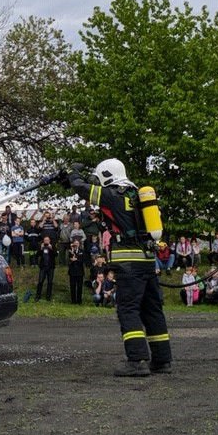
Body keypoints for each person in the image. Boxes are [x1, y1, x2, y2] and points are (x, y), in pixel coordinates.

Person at [64, 159, 171, 376]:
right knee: (152, 310)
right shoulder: (136, 194)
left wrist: (72, 173)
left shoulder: (112, 195)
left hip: (128, 264)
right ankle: (161, 360)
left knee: (128, 309)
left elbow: (83, 189)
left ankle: (137, 360)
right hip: (147, 261)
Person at [34, 235, 56, 301]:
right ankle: (38, 296)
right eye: (45, 240)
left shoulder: (52, 246)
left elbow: (56, 254)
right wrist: (41, 249)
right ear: (43, 241)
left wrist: (51, 248)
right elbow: (37, 255)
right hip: (43, 267)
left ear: (49, 241)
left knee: (50, 282)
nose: (46, 241)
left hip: (50, 267)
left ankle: (48, 297)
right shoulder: (41, 246)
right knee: (40, 281)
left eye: (47, 240)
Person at [66, 238, 87, 305]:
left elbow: (84, 260)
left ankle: (79, 301)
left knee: (79, 287)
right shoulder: (71, 250)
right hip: (72, 271)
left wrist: (77, 259)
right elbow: (70, 258)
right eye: (75, 243)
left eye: (77, 243)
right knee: (72, 286)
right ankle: (73, 301)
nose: (76, 245)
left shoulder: (82, 251)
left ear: (79, 244)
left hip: (80, 271)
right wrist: (72, 249)